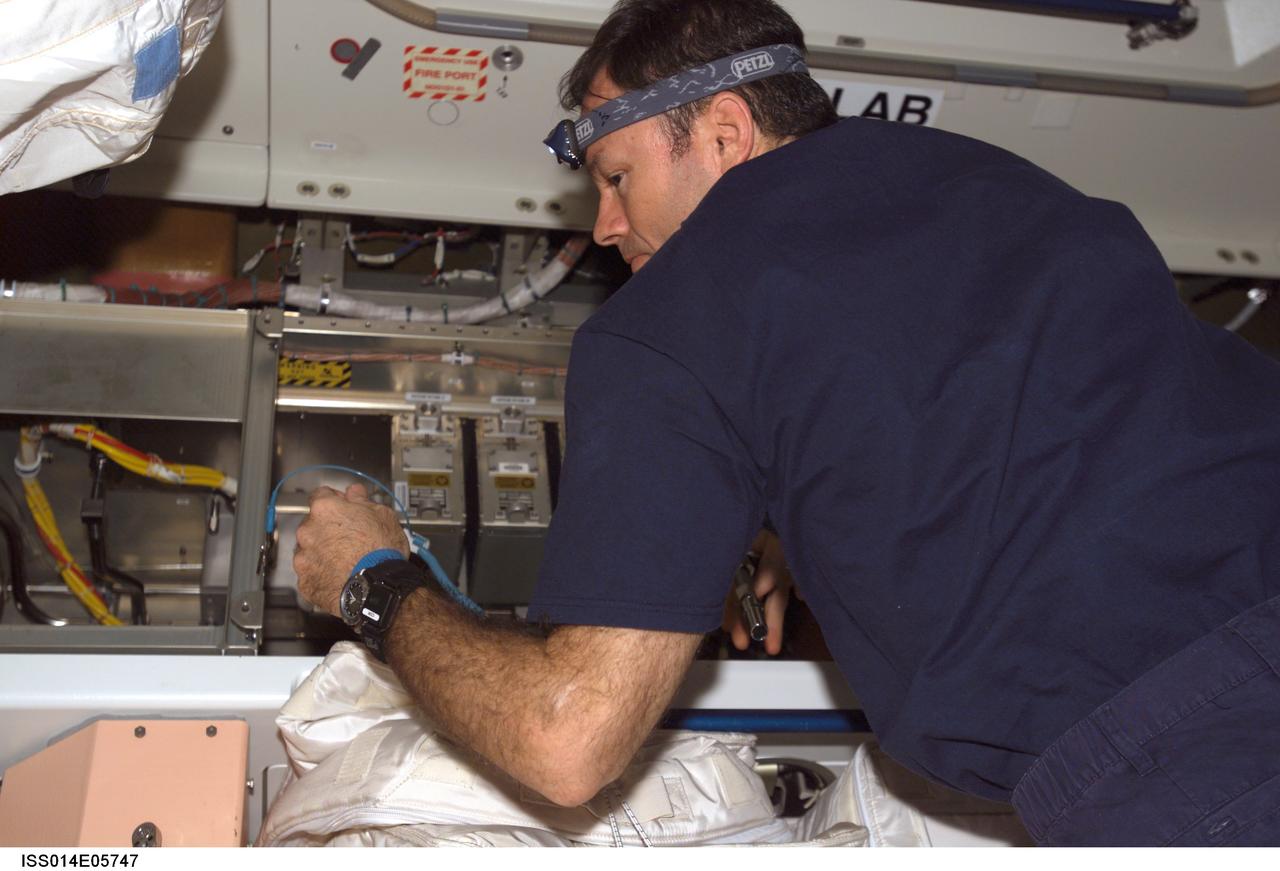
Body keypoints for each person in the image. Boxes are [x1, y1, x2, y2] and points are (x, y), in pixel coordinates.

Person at [293, 0, 1280, 846]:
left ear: (722, 131)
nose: (600, 225)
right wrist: (784, 504)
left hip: (1189, 765)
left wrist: (378, 581)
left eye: (615, 175)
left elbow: (567, 739)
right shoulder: (1004, 184)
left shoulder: (671, 315)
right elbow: (988, 428)